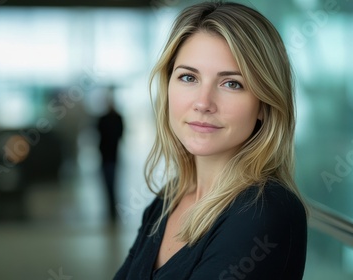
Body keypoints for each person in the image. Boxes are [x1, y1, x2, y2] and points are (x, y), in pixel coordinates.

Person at [114, 1, 307, 279]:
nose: (203, 103)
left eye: (232, 83)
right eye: (188, 77)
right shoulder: (169, 199)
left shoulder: (264, 211)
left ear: (265, 104)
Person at [97, 88, 124, 223]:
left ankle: (113, 209)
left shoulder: (116, 118)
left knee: (112, 182)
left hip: (112, 156)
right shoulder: (105, 118)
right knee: (108, 183)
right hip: (106, 156)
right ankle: (111, 209)